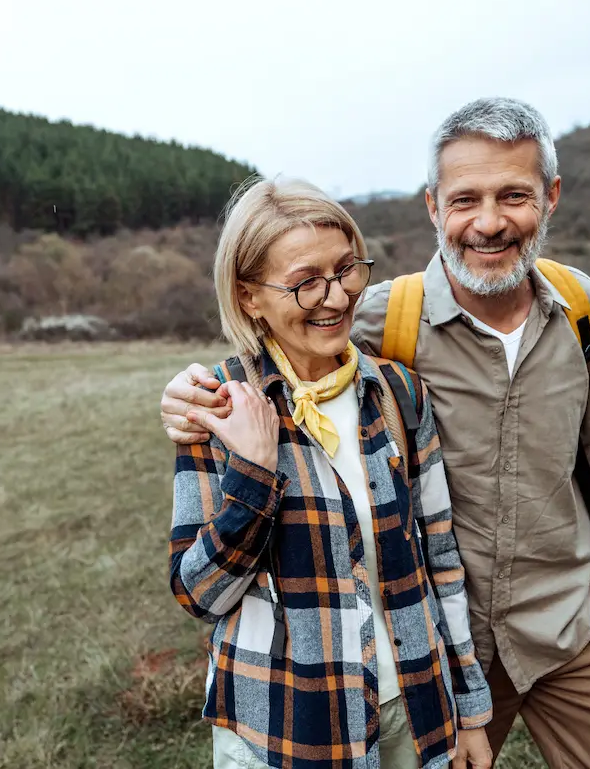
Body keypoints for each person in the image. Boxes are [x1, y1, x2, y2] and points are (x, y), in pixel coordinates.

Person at [161, 98, 590, 769]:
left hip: (559, 624)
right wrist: (194, 406)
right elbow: (283, 336)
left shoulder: (571, 312)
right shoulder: (372, 324)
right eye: (466, 200)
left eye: (513, 195)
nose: (489, 222)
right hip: (369, 680)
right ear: (433, 206)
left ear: (550, 197)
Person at [167, 175, 493, 769]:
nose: (337, 298)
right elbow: (199, 595)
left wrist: (468, 708)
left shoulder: (398, 393)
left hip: (416, 717)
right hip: (288, 729)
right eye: (304, 283)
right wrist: (254, 474)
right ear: (248, 297)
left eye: (346, 270)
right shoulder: (218, 407)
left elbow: (441, 563)